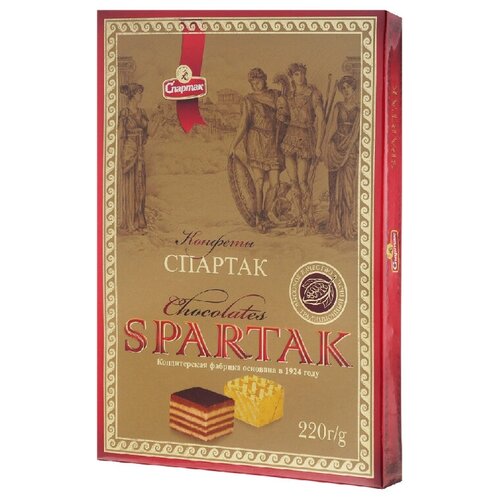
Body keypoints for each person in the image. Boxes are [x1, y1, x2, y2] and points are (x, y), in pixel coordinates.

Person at [229, 68, 285, 231]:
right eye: (252, 83)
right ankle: (258, 217)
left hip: (272, 143)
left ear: (264, 80)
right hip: (256, 142)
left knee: (275, 184)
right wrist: (233, 145)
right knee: (259, 182)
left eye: (258, 81)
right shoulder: (249, 100)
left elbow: (285, 114)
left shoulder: (275, 95)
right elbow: (243, 125)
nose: (255, 85)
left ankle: (265, 214)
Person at [280, 63, 325, 231]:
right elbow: (284, 117)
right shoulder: (289, 95)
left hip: (306, 137)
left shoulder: (313, 93)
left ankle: (309, 217)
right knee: (293, 181)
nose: (300, 77)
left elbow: (321, 120)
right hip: (290, 137)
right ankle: (298, 215)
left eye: (302, 73)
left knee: (303, 181)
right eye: (296, 74)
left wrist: (318, 145)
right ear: (292, 77)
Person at [326, 76, 360, 239]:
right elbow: (332, 127)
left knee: (348, 188)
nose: (346, 90)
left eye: (348, 87)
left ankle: (348, 226)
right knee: (334, 187)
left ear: (353, 89)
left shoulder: (359, 110)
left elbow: (356, 133)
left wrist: (348, 146)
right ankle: (335, 225)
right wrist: (326, 146)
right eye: (343, 88)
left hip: (350, 150)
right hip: (335, 149)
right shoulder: (338, 106)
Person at [118, 83, 149, 233]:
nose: (140, 95)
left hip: (140, 153)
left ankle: (138, 220)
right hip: (129, 153)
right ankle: (129, 221)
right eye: (138, 93)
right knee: (130, 186)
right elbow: (120, 136)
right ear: (132, 95)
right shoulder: (124, 113)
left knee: (140, 186)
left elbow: (147, 134)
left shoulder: (142, 112)